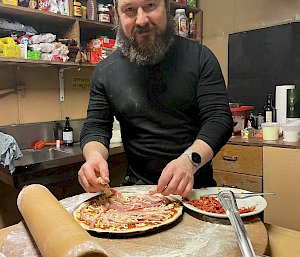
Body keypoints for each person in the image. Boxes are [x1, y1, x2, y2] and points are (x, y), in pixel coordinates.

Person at [78, 0, 233, 197]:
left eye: (150, 5)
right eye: (130, 10)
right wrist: (93, 157)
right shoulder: (105, 71)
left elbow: (218, 119)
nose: (141, 20)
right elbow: (96, 127)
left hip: (195, 189)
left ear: (166, 8)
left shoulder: (200, 57)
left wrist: (188, 162)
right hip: (136, 190)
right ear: (118, 16)